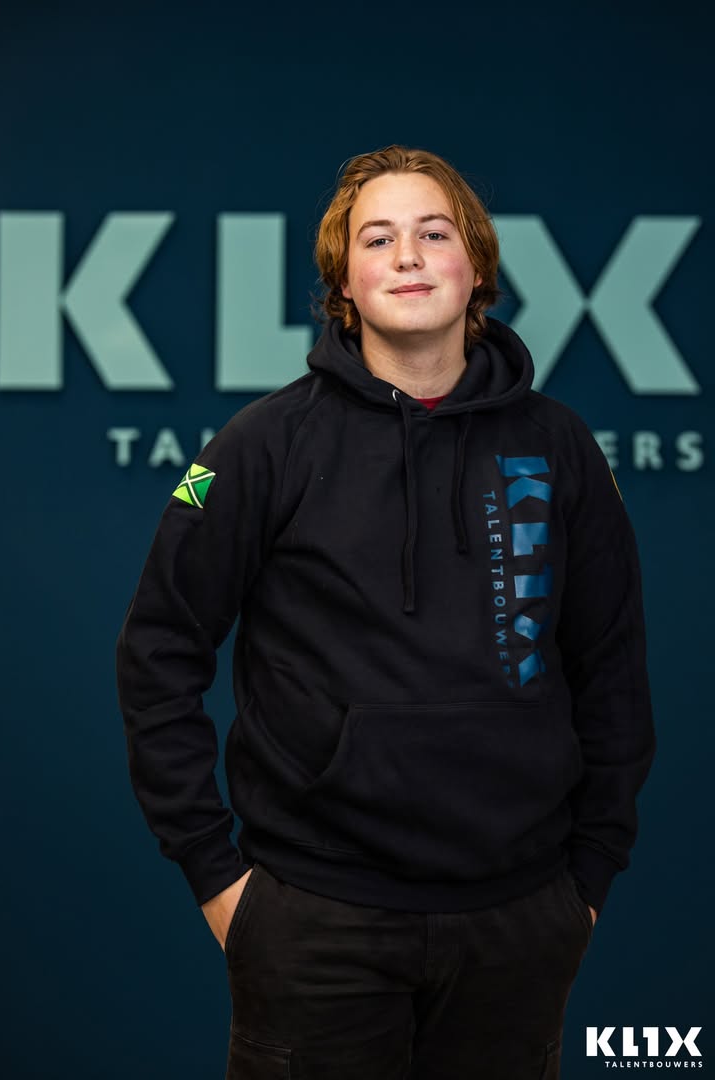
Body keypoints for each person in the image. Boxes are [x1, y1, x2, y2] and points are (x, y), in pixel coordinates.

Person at [116, 145, 656, 1079]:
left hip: (521, 917)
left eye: (434, 233)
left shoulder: (558, 445)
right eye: (378, 239)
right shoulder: (261, 446)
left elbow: (611, 665)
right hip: (316, 920)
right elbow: (157, 652)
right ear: (344, 283)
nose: (407, 256)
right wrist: (218, 878)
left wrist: (588, 877)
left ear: (475, 266)